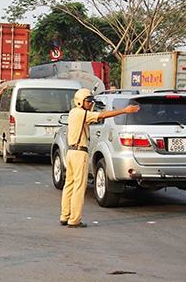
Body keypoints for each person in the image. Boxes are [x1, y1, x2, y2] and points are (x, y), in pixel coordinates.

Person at [60, 88, 140, 228]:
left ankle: (65, 215)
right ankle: (74, 220)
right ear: (80, 102)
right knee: (79, 187)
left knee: (69, 185)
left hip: (71, 152)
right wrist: (124, 110)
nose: (90, 104)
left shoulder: (73, 112)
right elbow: (102, 115)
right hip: (80, 153)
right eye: (88, 101)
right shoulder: (82, 114)